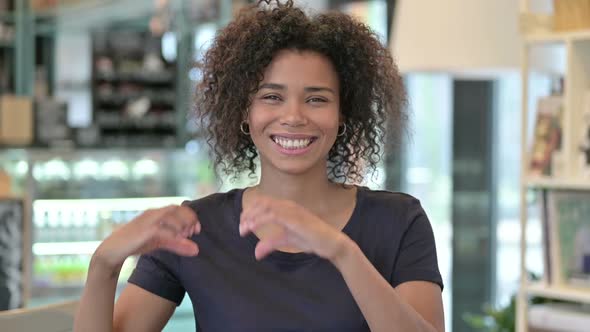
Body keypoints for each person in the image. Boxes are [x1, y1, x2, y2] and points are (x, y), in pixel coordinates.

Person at [73, 1, 445, 331]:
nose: (294, 116)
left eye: (317, 99)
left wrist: (342, 252)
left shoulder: (399, 221)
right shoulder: (194, 229)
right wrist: (104, 264)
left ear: (343, 114)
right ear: (244, 113)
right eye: (272, 97)